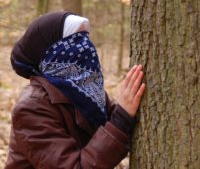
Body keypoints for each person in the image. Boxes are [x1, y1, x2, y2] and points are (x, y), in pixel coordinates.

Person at [5, 11, 145, 169]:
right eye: (76, 40)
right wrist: (122, 117)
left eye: (86, 38)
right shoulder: (32, 108)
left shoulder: (83, 91)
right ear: (52, 52)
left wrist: (125, 109)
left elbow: (112, 126)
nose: (86, 47)